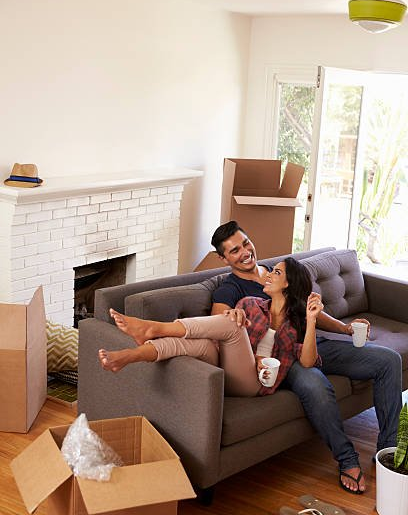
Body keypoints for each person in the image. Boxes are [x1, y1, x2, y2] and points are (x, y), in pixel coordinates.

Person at [209, 220, 403, 495]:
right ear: (223, 258)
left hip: (315, 343)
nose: (244, 252)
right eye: (234, 251)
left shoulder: (274, 273)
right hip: (286, 359)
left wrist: (345, 328)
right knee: (315, 385)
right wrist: (229, 317)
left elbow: (307, 309)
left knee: (388, 360)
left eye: (245, 243)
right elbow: (217, 324)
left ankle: (387, 449)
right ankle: (347, 459)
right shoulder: (229, 290)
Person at [99, 257, 323, 398]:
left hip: (253, 384)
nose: (269, 275)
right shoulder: (250, 304)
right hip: (221, 368)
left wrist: (312, 320)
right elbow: (224, 341)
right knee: (198, 343)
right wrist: (231, 315)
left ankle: (154, 328)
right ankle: (129, 356)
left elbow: (307, 361)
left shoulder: (296, 324)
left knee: (232, 325)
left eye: (277, 272)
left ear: (288, 284)